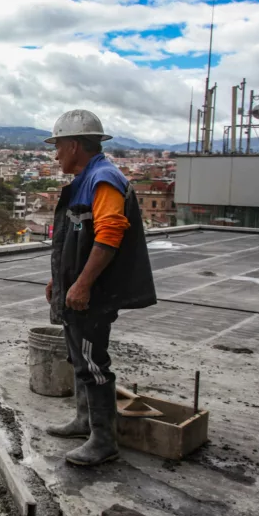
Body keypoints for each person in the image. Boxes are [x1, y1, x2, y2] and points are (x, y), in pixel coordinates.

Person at [43, 110, 156, 467]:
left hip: (94, 294)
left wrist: (82, 284)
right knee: (79, 358)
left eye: (58, 146)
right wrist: (59, 281)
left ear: (75, 145)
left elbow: (109, 234)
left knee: (93, 363)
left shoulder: (103, 178)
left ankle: (104, 441)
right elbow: (75, 239)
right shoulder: (85, 179)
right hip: (78, 290)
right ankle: (84, 422)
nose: (56, 153)